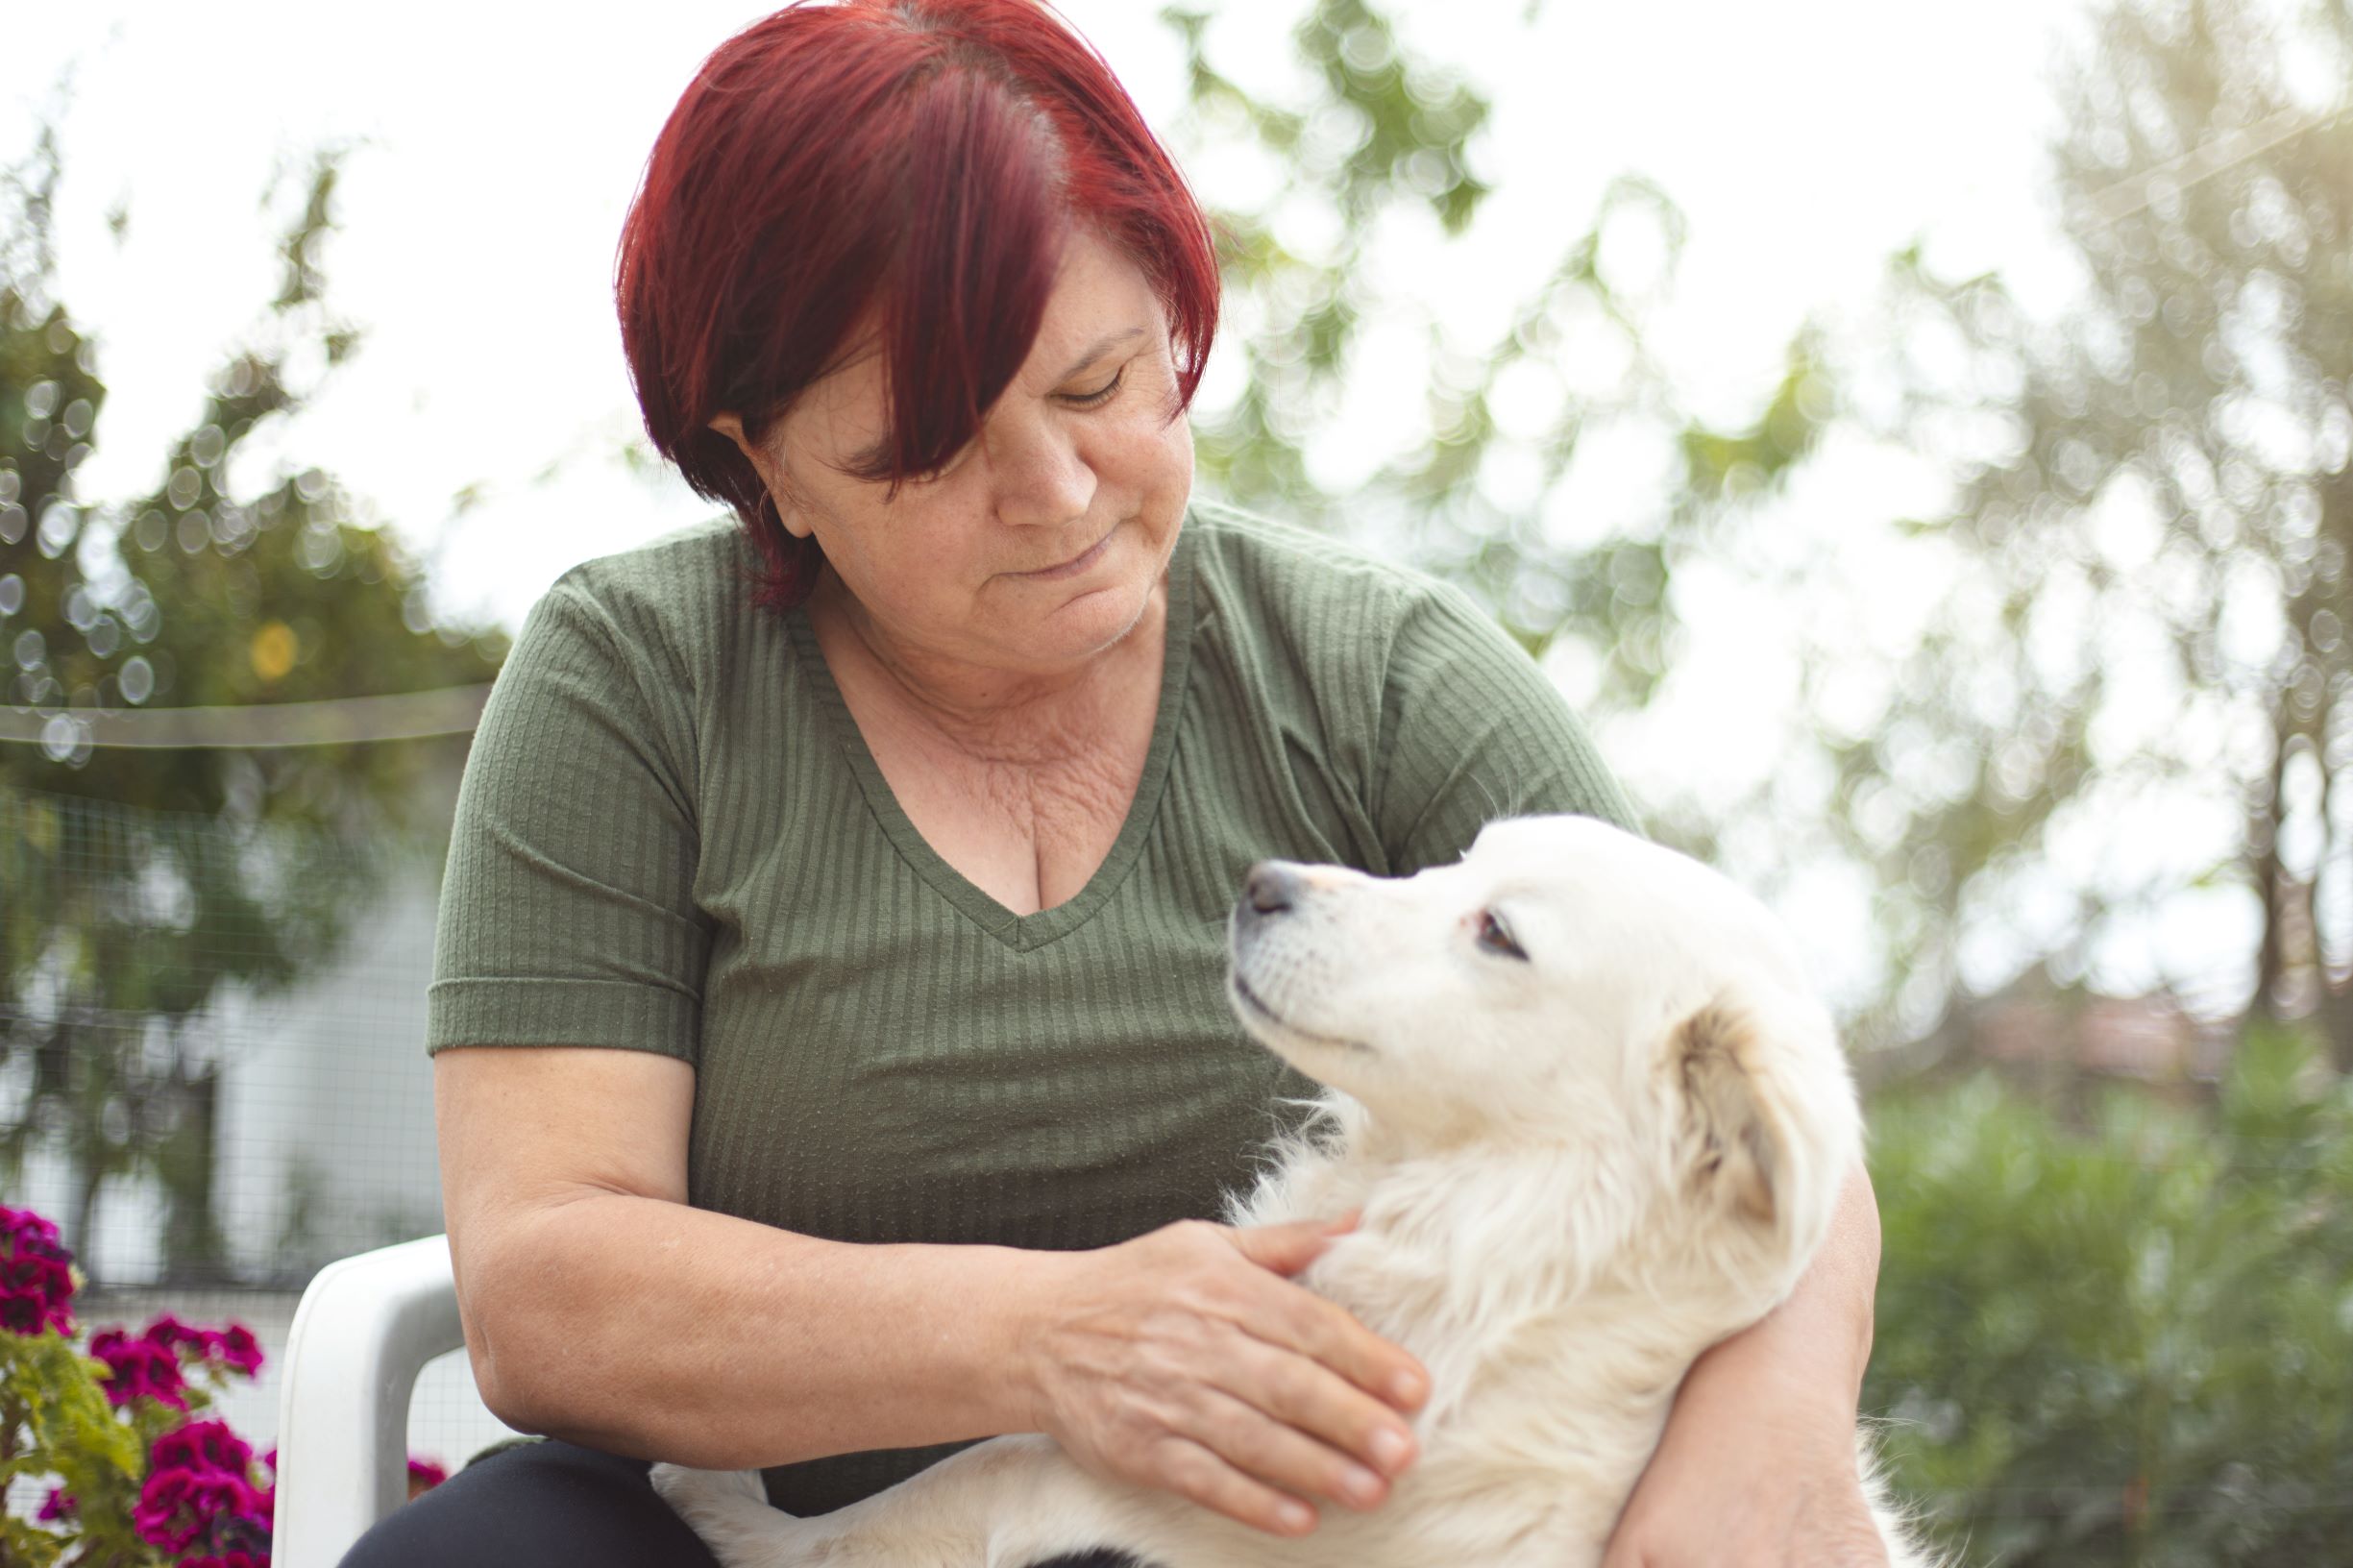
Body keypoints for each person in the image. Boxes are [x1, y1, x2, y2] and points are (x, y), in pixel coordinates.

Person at [341, 2, 1889, 1564]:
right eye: (933, 451)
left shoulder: (1382, 677)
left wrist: (1776, 1425)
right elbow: (547, 1292)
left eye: (1096, 385)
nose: (1061, 494)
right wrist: (1047, 1337)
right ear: (765, 464)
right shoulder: (635, 680)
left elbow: (1744, 1098)